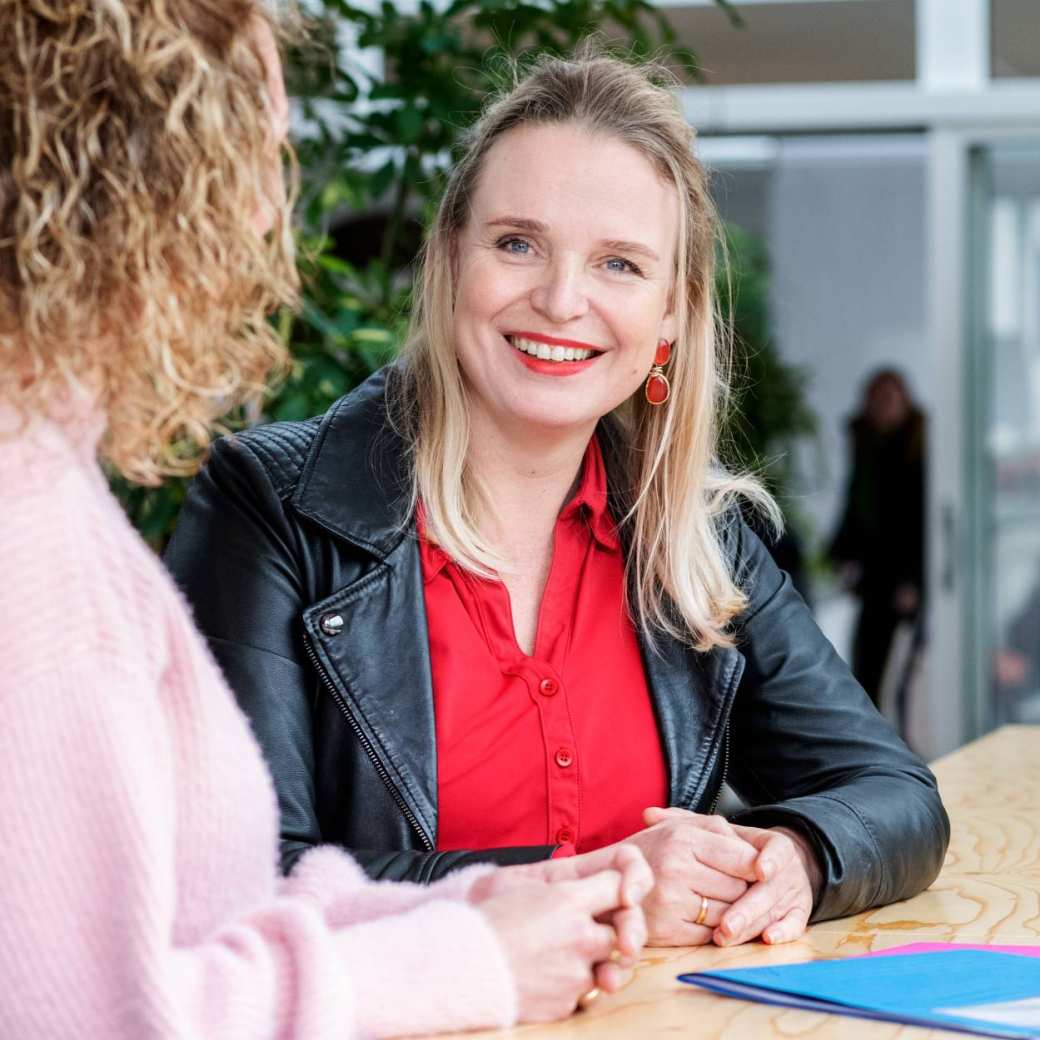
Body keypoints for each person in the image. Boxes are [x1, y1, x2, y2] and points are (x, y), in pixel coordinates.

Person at [167, 48, 950, 952]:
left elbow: (895, 796)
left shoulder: (696, 537)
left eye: (619, 264)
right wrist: (600, 888)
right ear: (450, 260)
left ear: (670, 317)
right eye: (517, 244)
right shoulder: (269, 508)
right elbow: (248, 881)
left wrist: (800, 857)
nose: (561, 299)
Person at [0, 5, 655, 1036]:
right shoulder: (31, 531)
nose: (271, 209)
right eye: (262, 147)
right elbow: (93, 1015)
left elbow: (206, 920)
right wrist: (465, 957)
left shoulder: (46, 481)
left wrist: (469, 907)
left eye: (621, 262)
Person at [828, 368, 927, 715]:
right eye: (878, 399)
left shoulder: (918, 452)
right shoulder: (865, 445)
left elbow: (920, 522)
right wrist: (842, 556)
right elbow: (854, 505)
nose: (884, 407)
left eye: (891, 399)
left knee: (903, 676)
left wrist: (913, 580)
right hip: (874, 577)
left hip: (903, 577)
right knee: (865, 667)